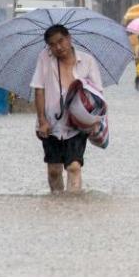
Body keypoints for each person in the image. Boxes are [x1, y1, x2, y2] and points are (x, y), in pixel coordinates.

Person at [30, 24, 103, 193]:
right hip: (50, 124)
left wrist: (94, 121)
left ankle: (73, 206)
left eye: (61, 41)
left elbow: (97, 93)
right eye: (52, 44)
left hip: (77, 124)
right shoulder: (44, 58)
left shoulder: (87, 61)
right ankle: (57, 204)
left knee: (74, 167)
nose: (58, 47)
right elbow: (39, 88)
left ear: (69, 38)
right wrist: (42, 121)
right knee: (54, 170)